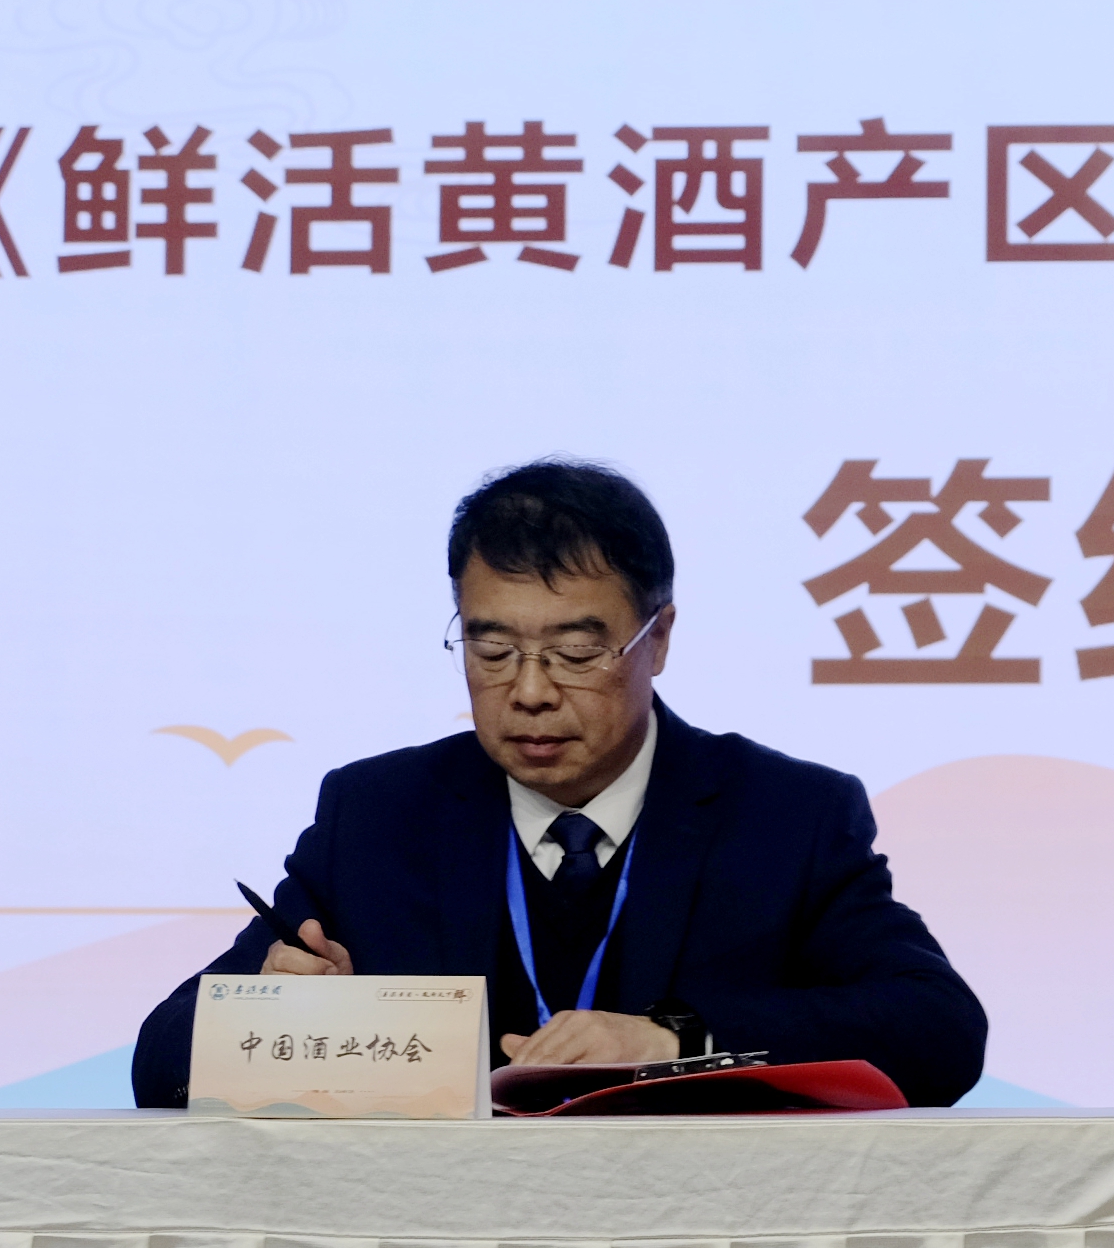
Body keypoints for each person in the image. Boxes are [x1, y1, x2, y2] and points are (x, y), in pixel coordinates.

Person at [130, 460, 986, 1108]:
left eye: (576, 653)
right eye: (492, 650)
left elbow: (939, 1029)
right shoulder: (380, 816)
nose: (530, 691)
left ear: (658, 639)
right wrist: (270, 1014)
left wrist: (678, 1040)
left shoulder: (783, 816)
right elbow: (159, 1061)